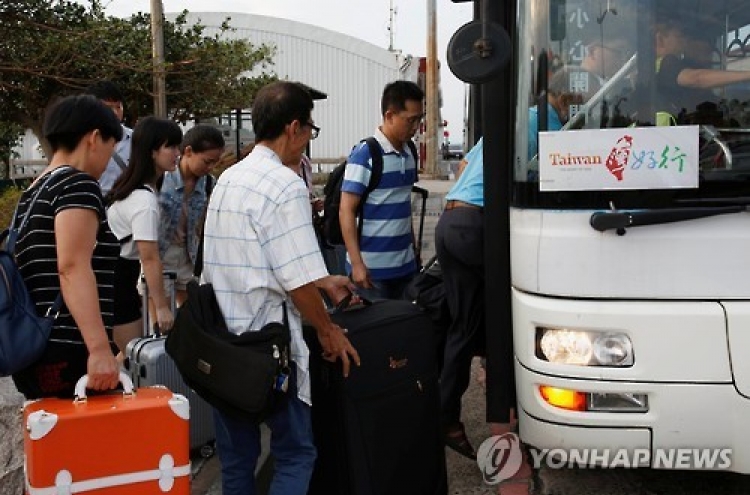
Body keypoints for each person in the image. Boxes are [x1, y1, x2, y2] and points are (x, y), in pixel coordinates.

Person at [201, 80, 360, 495]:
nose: (308, 139)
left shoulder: (228, 179)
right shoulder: (285, 184)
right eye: (310, 129)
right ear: (294, 127)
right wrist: (329, 330)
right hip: (269, 349)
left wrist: (323, 280)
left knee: (236, 462)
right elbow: (295, 283)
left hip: (223, 346)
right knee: (296, 454)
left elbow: (254, 258)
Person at [11, 94, 122, 399]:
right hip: (73, 353)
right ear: (95, 138)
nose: (108, 163)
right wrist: (99, 350)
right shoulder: (78, 185)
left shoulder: (32, 194)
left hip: (34, 349)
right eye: (111, 150)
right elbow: (72, 267)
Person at [340, 80, 423, 299]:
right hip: (371, 274)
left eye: (419, 119)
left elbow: (403, 205)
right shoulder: (365, 154)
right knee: (377, 332)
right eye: (411, 120)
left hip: (406, 269)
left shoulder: (411, 152)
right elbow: (346, 210)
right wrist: (357, 264)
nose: (415, 127)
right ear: (389, 116)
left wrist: (413, 251)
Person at [106, 117, 182, 353]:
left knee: (128, 357)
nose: (177, 153)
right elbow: (149, 257)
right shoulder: (144, 200)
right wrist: (161, 307)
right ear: (151, 151)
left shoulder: (138, 190)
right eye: (171, 146)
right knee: (132, 357)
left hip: (117, 278)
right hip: (117, 282)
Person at [435, 137, 489, 461]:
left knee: (463, 326)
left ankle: (446, 417)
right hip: (474, 224)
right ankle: (444, 416)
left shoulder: (512, 116)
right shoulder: (553, 122)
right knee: (498, 313)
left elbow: (464, 166)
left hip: (451, 220)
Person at [158, 125, 224, 306]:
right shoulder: (163, 178)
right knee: (161, 316)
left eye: (215, 163)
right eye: (206, 161)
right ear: (188, 152)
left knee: (191, 312)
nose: (210, 167)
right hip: (161, 254)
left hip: (190, 255)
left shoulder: (209, 183)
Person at [654, 20, 750, 124]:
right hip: (665, 135)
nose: (684, 41)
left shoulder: (649, 65)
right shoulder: (668, 61)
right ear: (660, 39)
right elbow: (696, 79)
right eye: (679, 36)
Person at [528, 67, 603, 159]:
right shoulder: (534, 128)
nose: (590, 114)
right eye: (587, 105)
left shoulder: (547, 121)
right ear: (564, 101)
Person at [84, 81, 132, 195]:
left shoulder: (136, 139)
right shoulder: (82, 141)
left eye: (118, 106)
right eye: (109, 107)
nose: (115, 112)